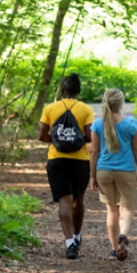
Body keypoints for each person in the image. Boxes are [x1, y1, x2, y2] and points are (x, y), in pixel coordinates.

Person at [38, 73, 94, 259]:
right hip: (80, 160)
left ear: (63, 90)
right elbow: (89, 136)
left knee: (64, 200)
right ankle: (77, 236)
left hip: (57, 159)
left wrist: (56, 141)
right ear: (78, 91)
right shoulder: (85, 109)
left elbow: (41, 135)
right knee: (78, 198)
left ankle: (69, 242)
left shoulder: (50, 108)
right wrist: (75, 140)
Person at [89, 88, 137, 261]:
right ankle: (123, 235)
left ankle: (114, 249)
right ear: (121, 103)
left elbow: (94, 151)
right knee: (126, 208)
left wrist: (92, 176)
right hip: (126, 171)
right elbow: (136, 149)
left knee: (111, 210)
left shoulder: (98, 124)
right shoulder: (131, 124)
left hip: (104, 171)